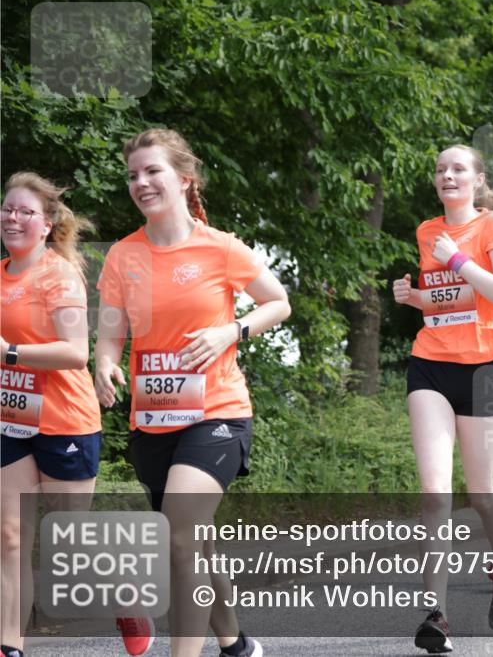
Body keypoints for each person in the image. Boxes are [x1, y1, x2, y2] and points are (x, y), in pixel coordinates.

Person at [94, 129, 290, 657]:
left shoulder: (220, 247)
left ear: (183, 179)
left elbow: (278, 303)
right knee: (194, 544)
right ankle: (235, 643)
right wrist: (105, 364)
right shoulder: (121, 257)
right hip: (153, 421)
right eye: (133, 174)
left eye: (152, 171)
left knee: (179, 537)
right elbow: (112, 332)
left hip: (217, 413)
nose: (141, 182)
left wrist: (233, 331)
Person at [392, 144, 493, 653]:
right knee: (435, 493)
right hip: (431, 363)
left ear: (477, 179)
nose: (447, 175)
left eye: (458, 169)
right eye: (441, 169)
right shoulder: (427, 231)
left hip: (483, 370)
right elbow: (452, 300)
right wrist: (415, 298)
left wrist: (459, 257)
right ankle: (434, 614)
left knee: (481, 492)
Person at [1, 173, 103, 657]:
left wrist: (10, 355)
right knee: (10, 534)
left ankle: (125, 592)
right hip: (13, 420)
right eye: (7, 208)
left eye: (24, 211)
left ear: (46, 225)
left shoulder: (59, 274)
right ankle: (10, 644)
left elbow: (76, 353)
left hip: (66, 419)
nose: (12, 218)